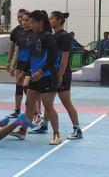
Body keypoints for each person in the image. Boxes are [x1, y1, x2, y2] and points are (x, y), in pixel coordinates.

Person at [30, 11, 83, 140]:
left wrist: (60, 76)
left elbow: (65, 58)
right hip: (53, 73)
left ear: (59, 20)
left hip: (62, 74)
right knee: (49, 102)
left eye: (52, 18)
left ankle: (77, 129)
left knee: (66, 102)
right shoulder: (54, 35)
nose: (50, 20)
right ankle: (45, 125)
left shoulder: (63, 36)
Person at [11, 10, 61, 145]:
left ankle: (56, 134)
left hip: (47, 76)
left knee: (48, 106)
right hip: (34, 76)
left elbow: (53, 58)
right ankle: (22, 131)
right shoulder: (32, 36)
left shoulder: (48, 37)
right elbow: (29, 58)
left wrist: (41, 71)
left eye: (33, 22)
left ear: (40, 22)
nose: (30, 25)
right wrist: (23, 73)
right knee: (29, 104)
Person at [7, 9, 27, 118]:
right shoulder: (16, 32)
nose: (20, 20)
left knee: (30, 88)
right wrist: (10, 63)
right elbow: (14, 48)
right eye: (19, 17)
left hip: (31, 65)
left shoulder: (33, 32)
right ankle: (17, 109)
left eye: (23, 18)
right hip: (20, 63)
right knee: (19, 86)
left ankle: (37, 112)